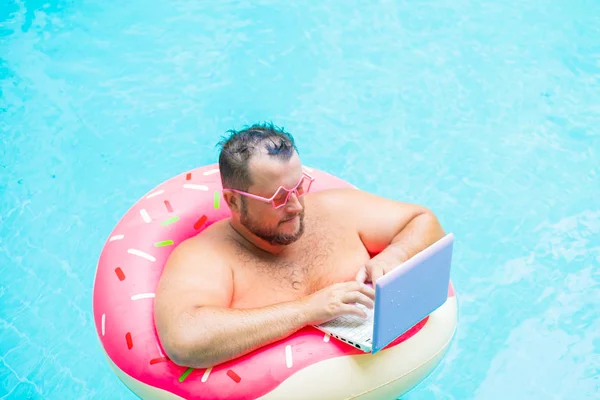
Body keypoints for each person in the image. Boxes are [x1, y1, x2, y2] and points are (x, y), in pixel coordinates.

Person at [154, 123, 446, 369]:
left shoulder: (338, 208)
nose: (296, 206)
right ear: (234, 201)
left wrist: (394, 256)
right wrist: (306, 310)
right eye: (278, 197)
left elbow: (423, 221)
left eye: (299, 187)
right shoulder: (206, 257)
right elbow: (184, 339)